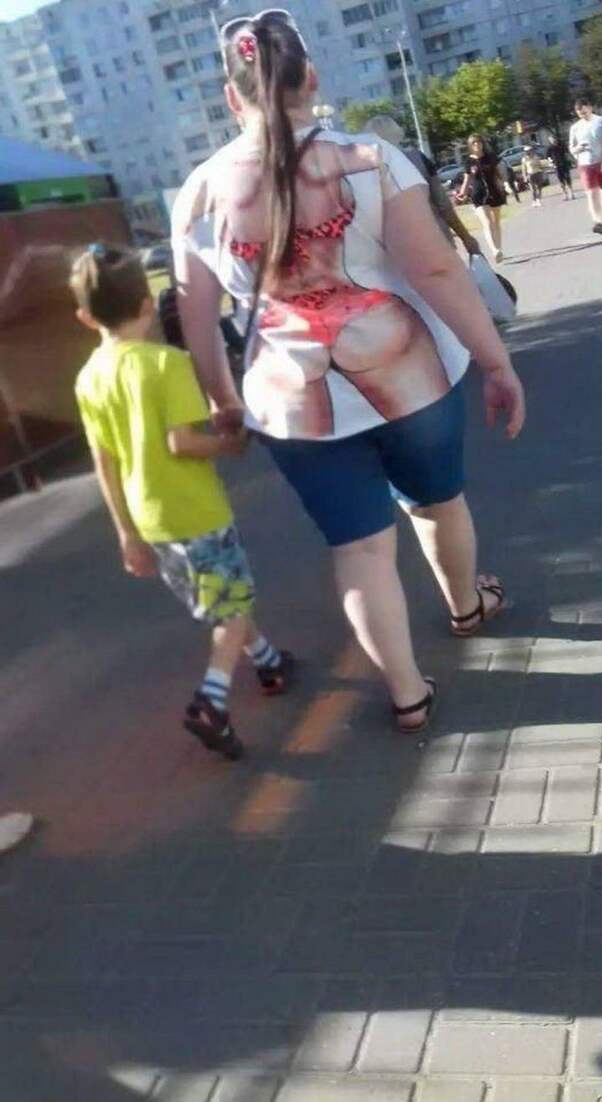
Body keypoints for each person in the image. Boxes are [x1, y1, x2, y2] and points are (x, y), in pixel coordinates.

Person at [172, 10, 525, 735]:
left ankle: (408, 695)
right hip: (406, 368)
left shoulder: (200, 192)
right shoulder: (371, 157)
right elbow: (434, 270)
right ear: (311, 77)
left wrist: (223, 401)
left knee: (360, 549)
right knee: (438, 504)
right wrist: (495, 360)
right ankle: (466, 607)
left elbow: (197, 317)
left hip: (287, 394)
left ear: (232, 96)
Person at [70, 244, 292, 761]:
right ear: (147, 306)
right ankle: (212, 700)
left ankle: (268, 662)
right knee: (230, 604)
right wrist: (229, 445)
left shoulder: (88, 378)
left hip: (149, 517)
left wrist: (126, 532)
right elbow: (182, 443)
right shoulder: (165, 364)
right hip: (195, 509)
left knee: (222, 597)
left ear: (85, 317)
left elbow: (104, 460)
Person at [366, 115, 481, 258]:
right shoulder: (418, 158)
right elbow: (443, 203)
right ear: (397, 133)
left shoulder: (365, 171)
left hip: (397, 252)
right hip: (435, 239)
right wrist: (465, 237)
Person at [458, 134, 507, 263]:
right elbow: (467, 179)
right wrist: (462, 193)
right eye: (474, 143)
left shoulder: (490, 157)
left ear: (482, 144)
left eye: (479, 142)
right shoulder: (468, 161)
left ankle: (499, 248)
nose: (477, 145)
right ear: (470, 146)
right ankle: (494, 250)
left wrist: (505, 184)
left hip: (494, 192)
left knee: (496, 222)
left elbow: (499, 173)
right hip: (478, 195)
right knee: (487, 222)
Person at [569, 97, 602, 233]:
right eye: (580, 114)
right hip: (585, 163)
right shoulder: (575, 128)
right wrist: (578, 148)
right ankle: (598, 222)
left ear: (590, 108)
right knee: (591, 193)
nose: (583, 115)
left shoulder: (601, 121)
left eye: (584, 112)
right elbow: (571, 148)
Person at [545, 134, 575, 201]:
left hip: (564, 164)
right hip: (557, 166)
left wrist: (571, 160)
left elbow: (567, 153)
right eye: (551, 140)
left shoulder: (562, 145)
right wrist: (551, 163)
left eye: (554, 139)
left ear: (556, 139)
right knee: (561, 181)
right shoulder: (549, 148)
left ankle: (571, 193)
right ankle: (565, 194)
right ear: (550, 141)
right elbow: (547, 157)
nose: (553, 140)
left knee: (568, 179)